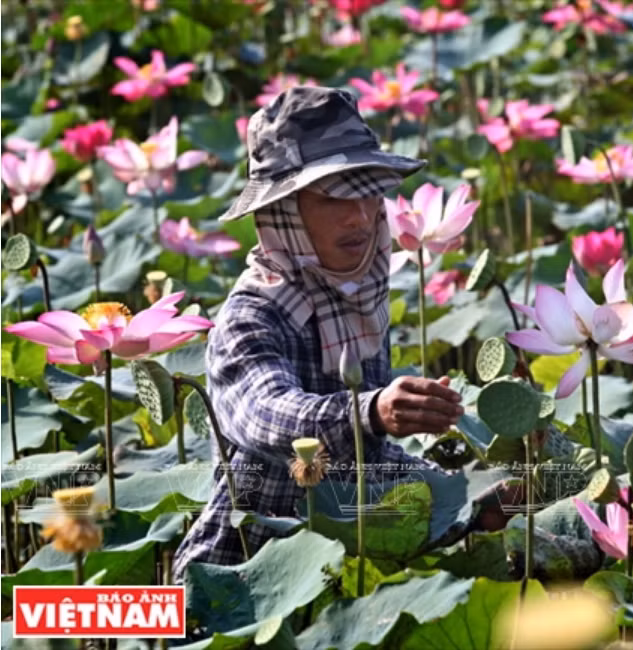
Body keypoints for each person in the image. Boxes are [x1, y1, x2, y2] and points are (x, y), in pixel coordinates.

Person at [171, 86, 485, 584]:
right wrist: (370, 411)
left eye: (366, 193)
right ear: (283, 213)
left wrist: (467, 500)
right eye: (331, 198)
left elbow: (368, 467)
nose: (358, 217)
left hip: (343, 573)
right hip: (238, 584)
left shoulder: (358, 301)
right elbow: (268, 416)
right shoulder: (248, 317)